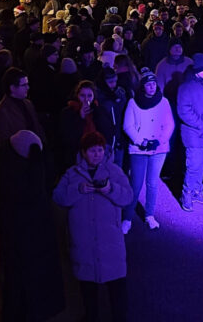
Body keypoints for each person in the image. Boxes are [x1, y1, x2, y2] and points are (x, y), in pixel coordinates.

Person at [53, 131, 132, 322]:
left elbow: (128, 197)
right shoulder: (72, 174)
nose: (97, 154)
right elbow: (58, 197)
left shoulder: (114, 171)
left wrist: (110, 189)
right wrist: (78, 189)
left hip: (110, 243)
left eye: (100, 150)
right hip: (84, 243)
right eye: (92, 151)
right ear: (83, 152)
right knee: (88, 292)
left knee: (117, 291)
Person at [0, 130, 65, 322]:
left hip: (14, 239)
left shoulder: (7, 175)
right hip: (38, 238)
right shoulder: (38, 184)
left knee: (16, 281)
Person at [122, 70, 174, 232]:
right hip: (139, 150)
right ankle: (127, 218)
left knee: (152, 183)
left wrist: (159, 141)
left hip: (159, 149)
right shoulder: (133, 102)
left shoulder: (164, 102)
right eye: (148, 84)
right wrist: (140, 141)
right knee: (135, 184)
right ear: (142, 86)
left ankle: (149, 215)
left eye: (153, 84)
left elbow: (169, 124)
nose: (151, 87)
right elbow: (128, 125)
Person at [176, 53, 203, 211]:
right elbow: (183, 110)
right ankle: (186, 193)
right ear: (196, 70)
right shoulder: (186, 87)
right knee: (193, 163)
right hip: (192, 132)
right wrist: (200, 124)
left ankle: (197, 190)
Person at [59, 80, 114, 172]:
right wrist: (80, 118)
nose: (86, 99)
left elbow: (107, 131)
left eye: (89, 96)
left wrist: (97, 113)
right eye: (82, 96)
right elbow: (67, 136)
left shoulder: (99, 110)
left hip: (97, 154)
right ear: (77, 95)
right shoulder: (68, 112)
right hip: (77, 154)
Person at [0, 68, 46, 149]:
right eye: (24, 85)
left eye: (27, 84)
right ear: (12, 88)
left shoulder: (28, 103)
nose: (28, 87)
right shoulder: (1, 112)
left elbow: (37, 127)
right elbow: (3, 143)